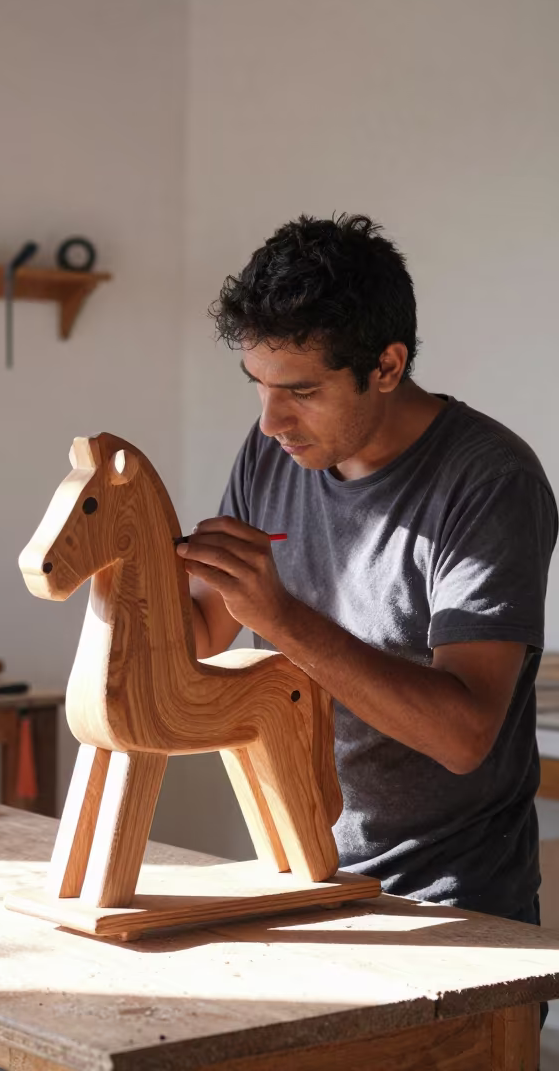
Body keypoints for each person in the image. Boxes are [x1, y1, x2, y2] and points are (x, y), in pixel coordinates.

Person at [177, 213, 557, 929]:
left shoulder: (489, 482)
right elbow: (200, 629)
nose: (270, 421)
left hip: (449, 906)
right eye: (258, 384)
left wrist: (282, 619)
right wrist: (122, 565)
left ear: (386, 366)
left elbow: (465, 735)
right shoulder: (274, 454)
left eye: (301, 390)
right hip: (304, 879)